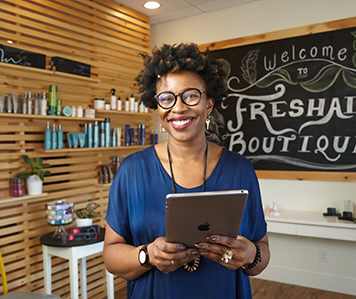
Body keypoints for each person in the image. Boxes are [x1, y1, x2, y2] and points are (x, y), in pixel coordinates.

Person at [104, 43, 270, 298]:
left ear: (209, 103)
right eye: (167, 98)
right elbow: (112, 256)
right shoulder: (132, 171)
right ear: (158, 107)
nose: (178, 108)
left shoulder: (240, 170)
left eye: (190, 95)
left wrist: (250, 255)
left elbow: (261, 254)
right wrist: (146, 255)